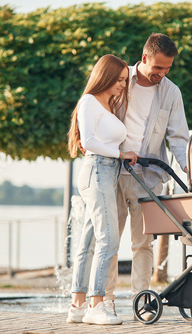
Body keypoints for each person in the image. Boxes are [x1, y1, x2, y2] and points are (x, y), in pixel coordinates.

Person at [103, 33, 190, 317]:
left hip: (147, 177)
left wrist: (190, 169)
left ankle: (141, 302)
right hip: (112, 171)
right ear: (144, 59)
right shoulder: (118, 79)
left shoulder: (171, 92)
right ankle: (105, 301)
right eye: (158, 68)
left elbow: (178, 137)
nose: (162, 74)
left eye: (168, 69)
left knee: (143, 243)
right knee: (110, 241)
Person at [66, 54, 139, 325]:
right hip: (97, 171)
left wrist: (119, 156)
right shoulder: (88, 102)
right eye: (119, 80)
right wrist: (120, 154)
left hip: (106, 172)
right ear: (106, 77)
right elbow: (89, 142)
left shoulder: (107, 105)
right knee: (109, 239)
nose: (123, 84)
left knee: (88, 242)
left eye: (124, 80)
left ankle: (77, 305)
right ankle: (97, 305)